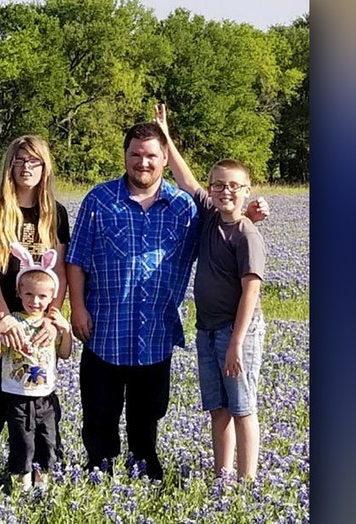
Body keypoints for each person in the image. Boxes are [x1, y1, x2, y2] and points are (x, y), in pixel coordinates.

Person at [65, 118, 268, 480]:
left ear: (164, 159)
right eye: (136, 154)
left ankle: (144, 470)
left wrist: (247, 216)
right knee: (99, 413)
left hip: (154, 333)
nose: (143, 162)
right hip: (103, 329)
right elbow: (76, 258)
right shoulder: (99, 198)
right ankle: (100, 470)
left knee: (148, 413)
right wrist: (77, 307)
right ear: (125, 155)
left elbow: (225, 227)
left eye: (151, 156)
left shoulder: (183, 208)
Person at [155, 103, 267, 479]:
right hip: (207, 329)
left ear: (247, 191)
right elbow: (185, 178)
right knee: (218, 408)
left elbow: (250, 291)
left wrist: (236, 342)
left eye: (234, 186)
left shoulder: (248, 234)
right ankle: (223, 476)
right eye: (218, 184)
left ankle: (247, 479)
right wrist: (166, 135)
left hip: (238, 333)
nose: (224, 191)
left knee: (242, 407)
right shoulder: (208, 215)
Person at [0, 135, 70, 479]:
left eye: (34, 161)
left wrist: (52, 317)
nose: (26, 168)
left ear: (45, 167)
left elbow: (59, 269)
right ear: (9, 165)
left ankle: (33, 472)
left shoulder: (55, 213)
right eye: (20, 161)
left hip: (37, 325)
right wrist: (3, 318)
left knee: (37, 403)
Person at [0, 243, 72, 491]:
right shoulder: (11, 321)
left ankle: (42, 484)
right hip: (17, 395)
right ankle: (22, 485)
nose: (35, 301)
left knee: (48, 440)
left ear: (51, 297)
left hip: (46, 396)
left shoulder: (52, 323)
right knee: (22, 442)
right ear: (18, 292)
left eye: (42, 296)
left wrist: (65, 330)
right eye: (29, 295)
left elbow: (65, 353)